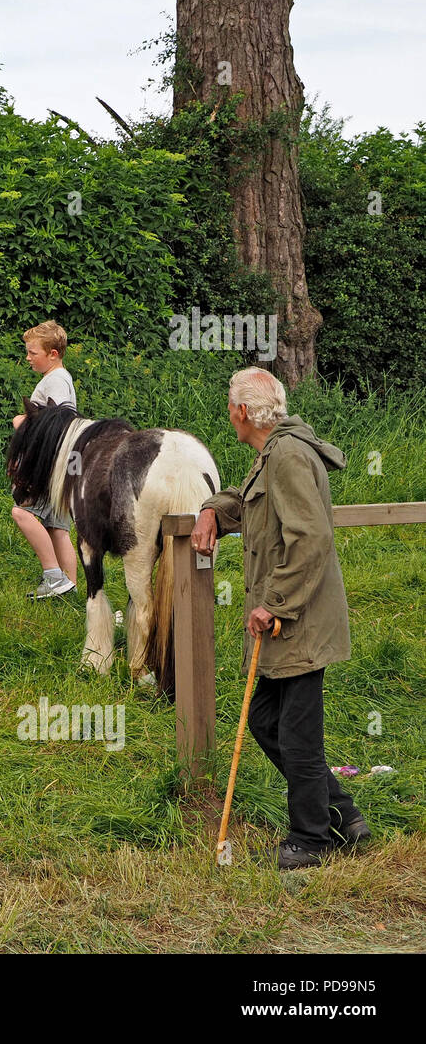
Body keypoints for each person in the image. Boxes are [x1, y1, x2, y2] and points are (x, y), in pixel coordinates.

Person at [190, 367, 370, 870]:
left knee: (296, 733)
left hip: (298, 622)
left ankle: (311, 839)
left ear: (243, 412)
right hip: (290, 622)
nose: (230, 414)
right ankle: (344, 816)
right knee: (267, 718)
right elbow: (249, 505)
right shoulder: (273, 453)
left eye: (230, 406)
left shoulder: (288, 456)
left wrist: (275, 603)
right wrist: (211, 509)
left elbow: (310, 537)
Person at [11, 321, 78, 599]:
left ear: (53, 354)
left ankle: (53, 576)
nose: (28, 358)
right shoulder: (60, 378)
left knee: (22, 513)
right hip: (62, 464)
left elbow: (57, 422)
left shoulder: (56, 380)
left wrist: (21, 422)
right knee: (57, 528)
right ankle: (69, 587)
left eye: (32, 352)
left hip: (48, 466)